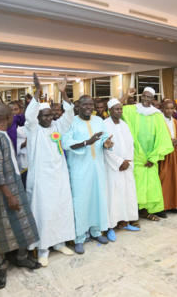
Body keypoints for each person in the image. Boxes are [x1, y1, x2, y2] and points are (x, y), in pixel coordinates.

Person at [0, 103, 41, 289]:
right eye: (12, 113)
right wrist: (9, 195)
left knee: (21, 222)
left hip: (13, 185)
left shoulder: (2, 133)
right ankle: (0, 266)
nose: (15, 115)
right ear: (7, 116)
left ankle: (21, 257)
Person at [25, 74, 76, 266]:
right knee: (44, 212)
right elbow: (29, 116)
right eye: (44, 115)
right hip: (41, 180)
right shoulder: (33, 129)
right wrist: (38, 91)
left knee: (60, 209)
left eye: (50, 115)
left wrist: (64, 93)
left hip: (59, 177)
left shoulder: (56, 127)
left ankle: (60, 243)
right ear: (37, 118)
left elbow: (69, 115)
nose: (49, 118)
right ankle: (43, 249)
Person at [61, 95, 114, 254]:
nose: (88, 108)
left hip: (97, 166)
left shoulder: (99, 120)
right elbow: (65, 143)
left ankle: (96, 231)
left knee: (97, 198)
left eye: (90, 105)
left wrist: (107, 144)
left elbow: (105, 138)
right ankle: (79, 237)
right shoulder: (72, 121)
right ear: (78, 106)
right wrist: (87, 142)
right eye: (85, 105)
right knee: (81, 202)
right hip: (79, 169)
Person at [118, 88, 173, 220]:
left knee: (151, 186)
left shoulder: (157, 115)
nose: (146, 99)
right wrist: (126, 95)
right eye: (144, 96)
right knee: (135, 186)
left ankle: (146, 211)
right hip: (136, 157)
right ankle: (134, 214)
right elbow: (115, 107)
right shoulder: (132, 110)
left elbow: (163, 138)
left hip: (151, 158)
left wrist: (154, 157)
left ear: (153, 99)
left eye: (149, 97)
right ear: (141, 96)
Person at [104, 98, 140, 240]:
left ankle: (124, 223)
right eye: (116, 109)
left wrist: (127, 161)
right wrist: (119, 162)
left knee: (126, 194)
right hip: (113, 168)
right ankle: (110, 226)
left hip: (126, 166)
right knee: (113, 196)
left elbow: (130, 144)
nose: (119, 111)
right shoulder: (104, 124)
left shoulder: (124, 124)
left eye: (120, 109)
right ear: (109, 111)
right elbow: (105, 147)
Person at [158, 99, 177, 214]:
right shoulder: (159, 121)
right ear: (162, 109)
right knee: (163, 179)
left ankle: (173, 204)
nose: (169, 111)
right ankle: (161, 207)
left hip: (174, 154)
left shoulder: (175, 122)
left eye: (171, 108)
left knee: (174, 179)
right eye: (167, 108)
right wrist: (167, 141)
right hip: (163, 155)